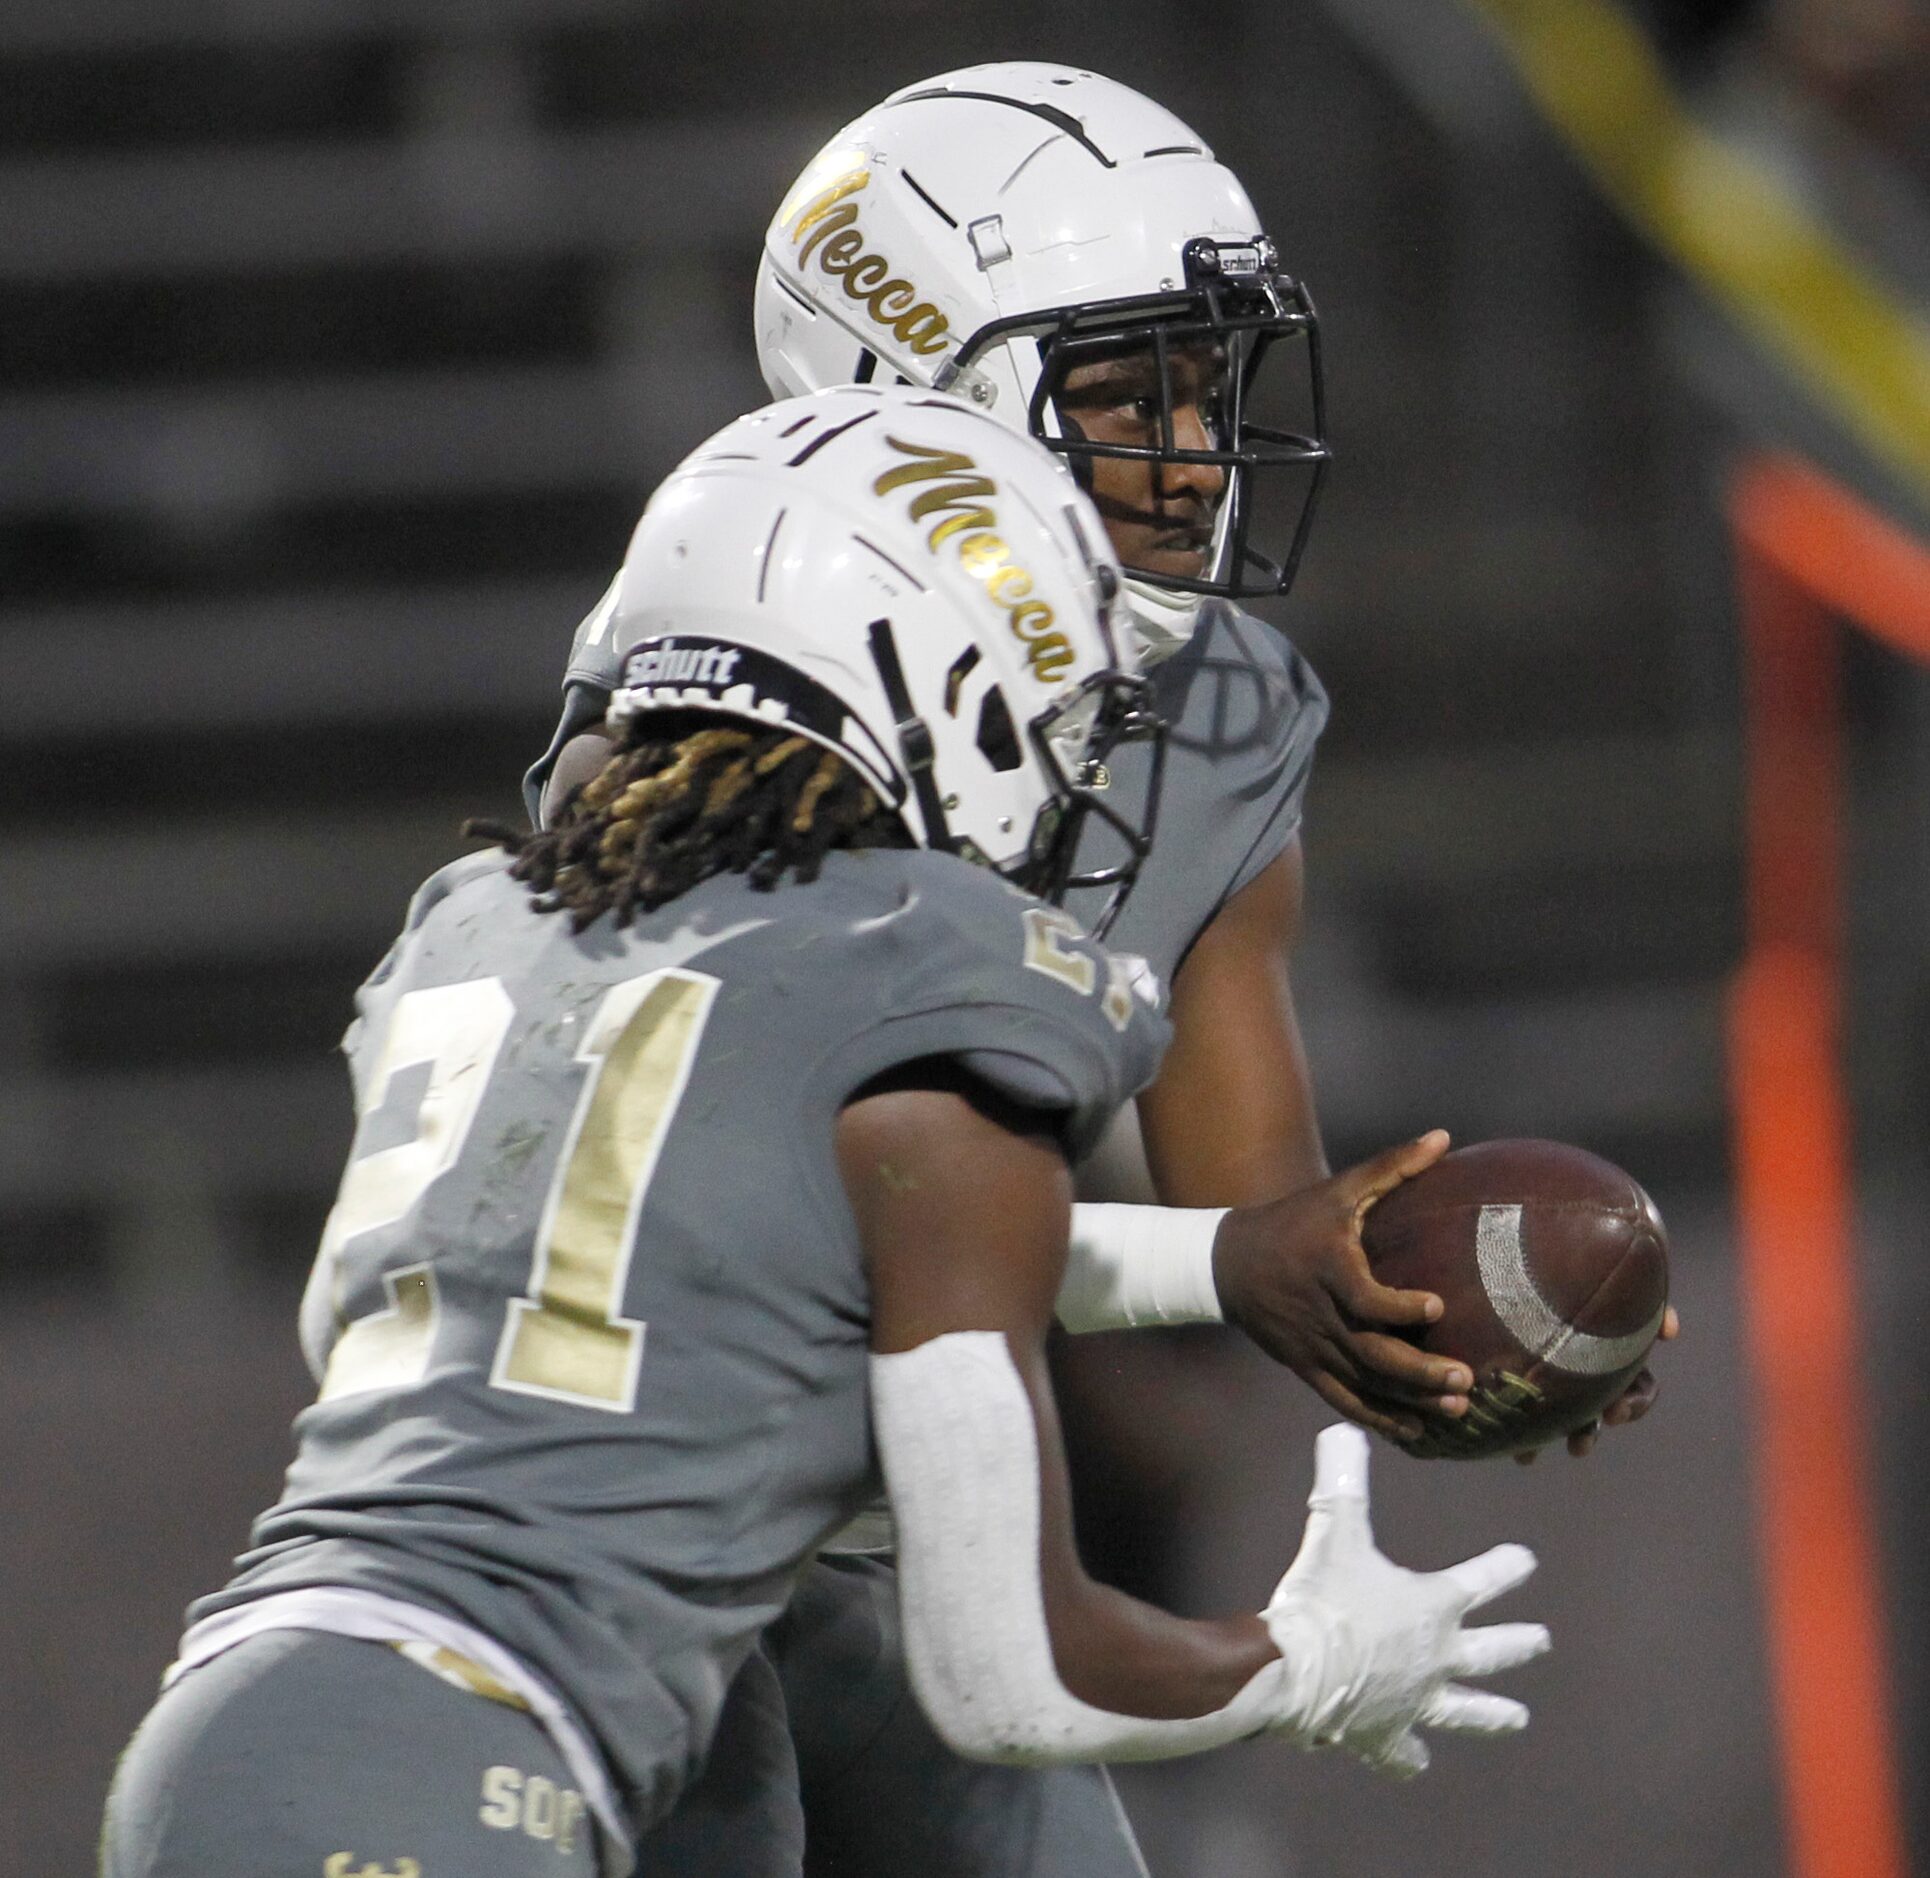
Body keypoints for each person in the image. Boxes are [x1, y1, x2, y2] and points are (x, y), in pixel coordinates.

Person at [100, 387, 1548, 1878]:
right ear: (949, 681)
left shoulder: (487, 925)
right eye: (1054, 718)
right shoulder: (922, 966)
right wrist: (1306, 1654)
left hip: (248, 1711)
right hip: (463, 1750)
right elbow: (1014, 1671)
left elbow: (759, 1235)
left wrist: (1223, 1260)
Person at [524, 63, 1669, 1878]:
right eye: (1127, 392)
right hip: (619, 1502)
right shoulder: (741, 644)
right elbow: (745, 1187)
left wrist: (1454, 1326)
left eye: (1207, 389)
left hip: (916, 1512)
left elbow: (1262, 1230)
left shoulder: (1215, 710)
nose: (1196, 455)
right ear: (913, 389)